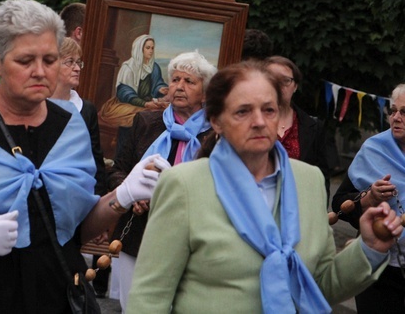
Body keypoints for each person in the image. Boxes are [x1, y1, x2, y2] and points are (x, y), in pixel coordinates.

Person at [0, 0, 165, 313]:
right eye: (26, 60)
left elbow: (74, 230)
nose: (40, 71)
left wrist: (121, 195)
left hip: (54, 294)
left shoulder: (70, 124)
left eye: (50, 60)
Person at [127, 60, 401, 313]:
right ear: (216, 122)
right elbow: (150, 296)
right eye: (243, 111)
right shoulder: (184, 185)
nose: (259, 121)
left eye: (269, 110)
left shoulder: (309, 180)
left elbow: (319, 285)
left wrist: (369, 247)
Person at [108, 50, 216, 312]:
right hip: (138, 232)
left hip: (189, 236)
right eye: (176, 80)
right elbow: (117, 170)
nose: (179, 86)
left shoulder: (215, 133)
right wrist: (132, 194)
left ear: (204, 93)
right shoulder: (146, 122)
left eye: (189, 81)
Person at [331, 83, 405, 313]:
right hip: (378, 268)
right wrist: (369, 198)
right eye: (393, 111)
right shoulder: (374, 148)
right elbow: (339, 204)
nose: (397, 118)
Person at [266, 55, 338, 197]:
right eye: (271, 79)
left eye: (285, 80)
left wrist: (317, 213)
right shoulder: (249, 122)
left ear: (295, 86)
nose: (278, 85)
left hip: (299, 207)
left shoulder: (313, 127)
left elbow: (321, 179)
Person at [50, 37, 106, 195]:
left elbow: (96, 160)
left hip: (79, 192)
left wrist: (97, 199)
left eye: (78, 62)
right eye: (70, 62)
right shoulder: (36, 105)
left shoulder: (86, 109)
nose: (77, 68)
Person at [99, 34, 169, 129]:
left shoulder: (154, 67)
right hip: (126, 105)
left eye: (152, 48)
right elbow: (125, 93)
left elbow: (157, 84)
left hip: (148, 103)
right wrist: (145, 104)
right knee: (139, 119)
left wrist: (160, 89)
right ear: (139, 49)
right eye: (148, 48)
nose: (151, 51)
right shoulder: (128, 67)